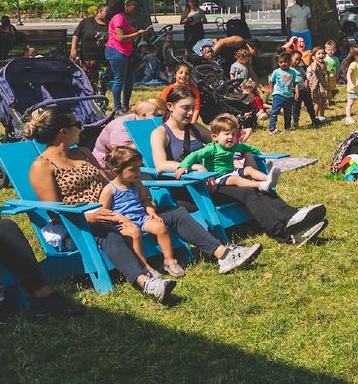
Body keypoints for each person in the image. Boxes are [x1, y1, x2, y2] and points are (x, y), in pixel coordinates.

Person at [25, 108, 263, 303]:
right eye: (77, 125)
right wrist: (95, 216)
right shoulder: (42, 166)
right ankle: (147, 282)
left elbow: (111, 180)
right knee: (112, 237)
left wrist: (141, 199)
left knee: (175, 214)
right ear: (63, 133)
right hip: (82, 223)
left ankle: (223, 255)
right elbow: (54, 211)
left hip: (118, 207)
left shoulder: (83, 152)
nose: (81, 128)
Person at [151, 86, 328, 246]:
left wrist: (246, 153)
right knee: (248, 191)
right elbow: (160, 165)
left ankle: (293, 217)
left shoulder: (196, 128)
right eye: (185, 108)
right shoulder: (160, 133)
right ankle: (286, 234)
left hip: (215, 181)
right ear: (170, 107)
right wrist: (196, 168)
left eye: (192, 107)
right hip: (190, 190)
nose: (190, 113)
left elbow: (222, 142)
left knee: (258, 187)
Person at [101, 146, 184, 278]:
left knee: (160, 227)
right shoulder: (109, 190)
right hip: (122, 225)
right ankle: (144, 266)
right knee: (134, 233)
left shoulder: (137, 183)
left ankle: (169, 260)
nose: (137, 172)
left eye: (139, 167)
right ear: (116, 171)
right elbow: (104, 213)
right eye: (132, 169)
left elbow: (144, 200)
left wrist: (151, 212)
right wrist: (119, 219)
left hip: (141, 218)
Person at [176, 114, 280, 192]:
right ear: (215, 137)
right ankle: (260, 185)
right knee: (235, 179)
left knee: (249, 169)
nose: (231, 137)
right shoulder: (211, 148)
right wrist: (184, 165)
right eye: (226, 134)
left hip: (230, 172)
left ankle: (269, 179)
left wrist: (259, 152)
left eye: (233, 134)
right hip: (217, 178)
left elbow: (245, 147)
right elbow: (195, 154)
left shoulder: (233, 146)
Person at [104, 0, 149, 115]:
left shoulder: (125, 18)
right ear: (126, 7)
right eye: (134, 6)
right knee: (119, 79)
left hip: (127, 53)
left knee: (129, 80)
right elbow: (120, 38)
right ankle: (117, 107)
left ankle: (126, 105)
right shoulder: (118, 18)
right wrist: (137, 34)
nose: (136, 8)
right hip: (116, 51)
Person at [92, 99, 165, 167]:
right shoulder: (121, 126)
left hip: (133, 161)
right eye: (157, 115)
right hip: (107, 164)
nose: (161, 119)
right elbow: (121, 153)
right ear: (143, 114)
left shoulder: (141, 121)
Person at [70, 3, 108, 89]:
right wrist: (73, 49)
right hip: (87, 59)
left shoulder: (110, 24)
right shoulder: (86, 22)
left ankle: (100, 99)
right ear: (100, 11)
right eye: (107, 11)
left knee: (102, 80)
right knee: (87, 82)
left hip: (104, 59)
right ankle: (89, 99)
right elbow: (76, 35)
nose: (109, 14)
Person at [268, 52, 298, 133]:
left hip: (289, 95)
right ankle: (272, 128)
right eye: (280, 62)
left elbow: (295, 83)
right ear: (278, 63)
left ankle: (287, 127)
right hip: (278, 95)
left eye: (285, 62)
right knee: (275, 111)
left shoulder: (293, 72)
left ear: (289, 62)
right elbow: (272, 81)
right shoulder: (276, 72)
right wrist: (271, 90)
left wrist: (297, 92)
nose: (283, 64)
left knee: (288, 113)